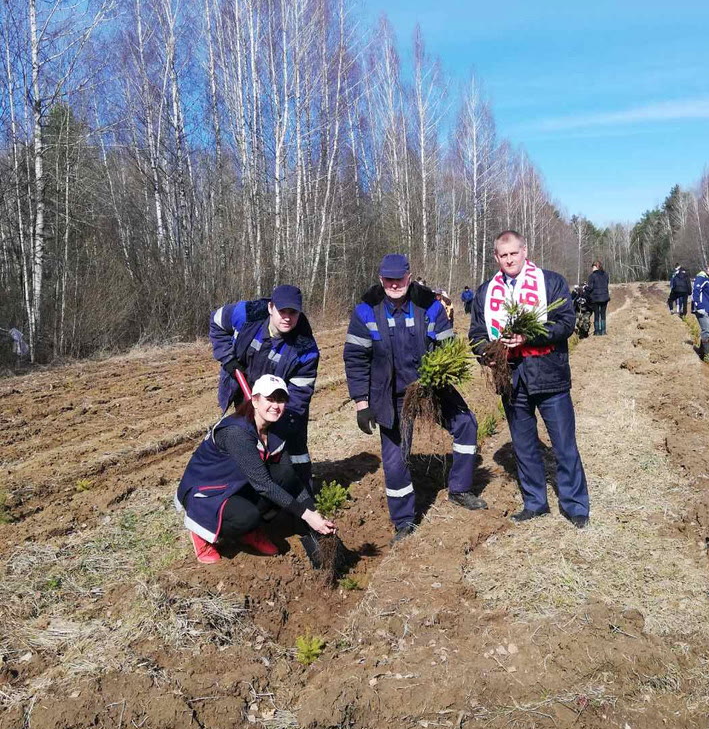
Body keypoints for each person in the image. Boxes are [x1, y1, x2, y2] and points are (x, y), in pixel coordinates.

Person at [343, 253, 486, 543]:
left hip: (431, 386)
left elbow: (446, 346)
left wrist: (439, 376)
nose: (394, 284)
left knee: (466, 424)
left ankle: (460, 489)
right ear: (381, 279)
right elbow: (355, 359)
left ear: (409, 277)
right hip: (391, 394)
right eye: (388, 279)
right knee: (395, 459)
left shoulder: (430, 306)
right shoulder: (365, 311)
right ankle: (404, 520)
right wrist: (362, 403)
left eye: (400, 278)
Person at [469, 230, 589, 527]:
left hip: (549, 375)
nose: (509, 259)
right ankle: (535, 503)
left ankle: (575, 505)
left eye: (513, 253)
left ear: (525, 251)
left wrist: (528, 336)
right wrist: (488, 352)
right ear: (496, 257)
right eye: (503, 255)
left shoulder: (551, 282)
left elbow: (565, 324)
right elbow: (476, 334)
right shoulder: (486, 292)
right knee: (524, 446)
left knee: (563, 444)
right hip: (511, 379)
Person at [175, 375, 335, 564]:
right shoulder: (237, 433)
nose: (276, 406)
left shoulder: (274, 430)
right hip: (207, 492)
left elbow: (289, 478)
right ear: (255, 400)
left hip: (236, 484)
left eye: (281, 400)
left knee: (284, 475)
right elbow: (264, 485)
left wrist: (313, 512)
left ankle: (248, 532)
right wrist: (306, 515)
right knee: (246, 517)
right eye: (270, 399)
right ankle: (201, 531)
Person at [210, 285, 319, 483]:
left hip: (280, 405)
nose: (287, 317)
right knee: (246, 440)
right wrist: (228, 359)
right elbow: (216, 321)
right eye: (282, 311)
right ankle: (250, 484)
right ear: (270, 308)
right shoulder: (248, 314)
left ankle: (303, 495)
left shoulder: (305, 349)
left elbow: (299, 396)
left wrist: (273, 418)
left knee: (293, 447)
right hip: (246, 394)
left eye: (293, 312)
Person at [584, 261, 610, 336]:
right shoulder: (606, 275)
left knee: (597, 314)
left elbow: (590, 288)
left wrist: (585, 288)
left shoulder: (592, 276)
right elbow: (606, 284)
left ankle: (597, 331)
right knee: (603, 314)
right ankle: (603, 331)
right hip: (605, 297)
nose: (592, 268)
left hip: (595, 298)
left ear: (596, 266)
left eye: (593, 267)